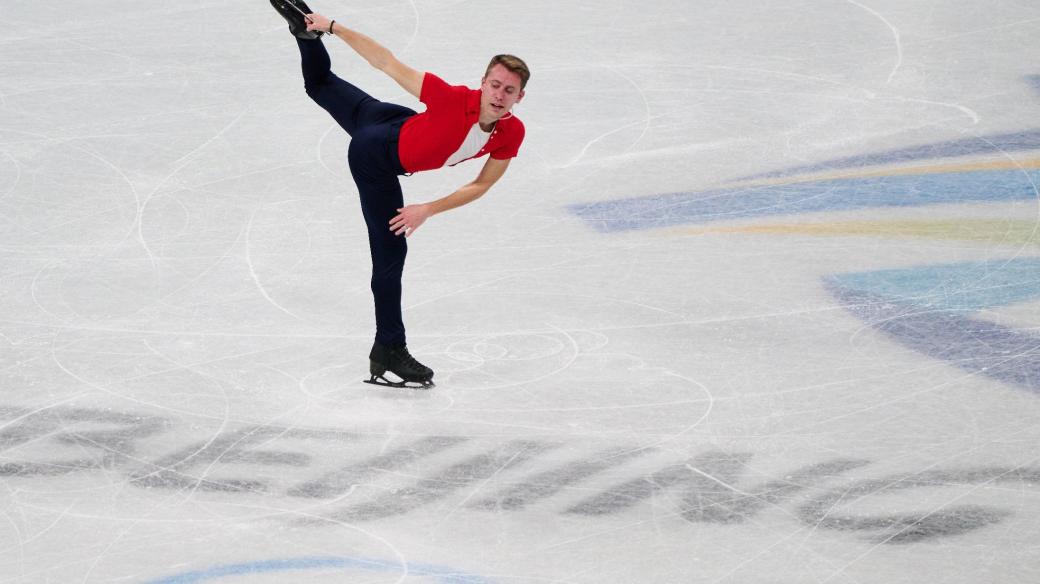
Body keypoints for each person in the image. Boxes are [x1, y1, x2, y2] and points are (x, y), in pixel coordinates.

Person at [269, 0, 529, 389]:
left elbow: (482, 184)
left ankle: (304, 36)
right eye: (494, 84)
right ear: (483, 82)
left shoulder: (512, 132)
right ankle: (389, 349)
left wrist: (428, 208)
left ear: (518, 97)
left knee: (320, 85)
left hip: (390, 120)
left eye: (509, 90)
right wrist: (334, 27)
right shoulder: (450, 98)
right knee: (391, 253)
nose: (499, 94)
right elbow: (387, 63)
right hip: (375, 156)